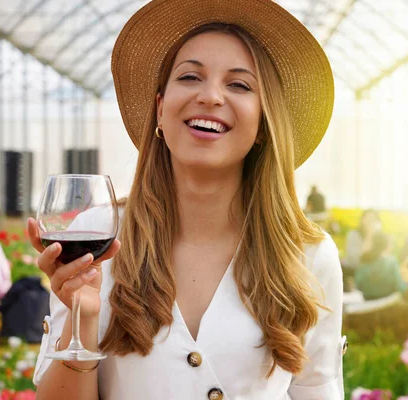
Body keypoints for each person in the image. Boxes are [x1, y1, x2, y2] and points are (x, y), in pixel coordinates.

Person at [31, 1, 343, 399]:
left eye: (239, 85)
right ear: (160, 110)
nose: (210, 96)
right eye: (190, 77)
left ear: (264, 124)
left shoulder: (308, 255)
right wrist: (81, 318)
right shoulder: (99, 243)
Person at [354, 232, 408, 301]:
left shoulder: (365, 260)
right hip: (387, 302)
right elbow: (399, 286)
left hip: (368, 300)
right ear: (387, 245)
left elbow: (357, 284)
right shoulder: (391, 261)